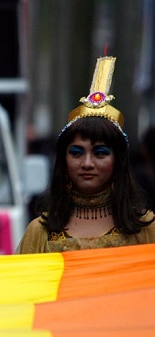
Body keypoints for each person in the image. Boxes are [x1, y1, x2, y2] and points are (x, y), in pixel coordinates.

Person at [17, 55, 155, 253]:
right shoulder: (39, 232)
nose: (87, 163)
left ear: (118, 161)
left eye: (100, 153)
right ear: (63, 160)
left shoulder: (145, 229)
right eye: (76, 153)